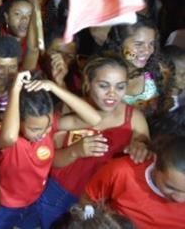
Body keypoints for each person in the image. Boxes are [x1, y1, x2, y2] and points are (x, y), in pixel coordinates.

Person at [37, 54, 151, 228]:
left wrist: (140, 148)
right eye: (103, 85)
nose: (112, 93)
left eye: (120, 87)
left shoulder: (134, 118)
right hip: (59, 194)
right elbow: (51, 160)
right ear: (88, 83)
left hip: (102, 202)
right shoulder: (70, 109)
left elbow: (144, 158)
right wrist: (75, 151)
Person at [0, 72, 101, 229]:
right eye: (35, 129)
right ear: (18, 120)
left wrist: (53, 87)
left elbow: (94, 119)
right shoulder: (5, 136)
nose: (44, 133)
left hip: (34, 203)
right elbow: (9, 137)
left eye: (48, 126)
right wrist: (15, 91)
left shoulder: (46, 125)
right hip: (4, 208)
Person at [84, 136, 185, 228]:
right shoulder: (122, 172)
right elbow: (88, 200)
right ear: (156, 161)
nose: (179, 199)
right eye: (170, 187)